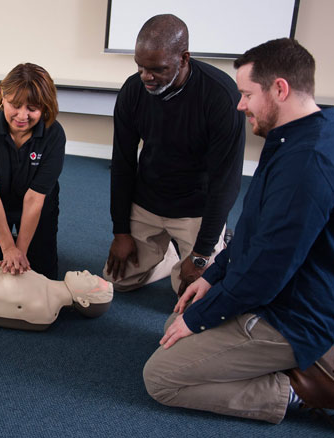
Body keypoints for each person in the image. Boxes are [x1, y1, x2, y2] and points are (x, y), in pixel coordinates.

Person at [143, 38, 334, 434]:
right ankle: (293, 361)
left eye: (247, 94)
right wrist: (213, 278)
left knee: (161, 377)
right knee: (173, 327)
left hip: (288, 316)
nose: (240, 105)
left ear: (279, 89)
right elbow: (253, 231)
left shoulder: (309, 164)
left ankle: (297, 391)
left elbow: (266, 271)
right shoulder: (295, 137)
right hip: (279, 295)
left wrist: (202, 318)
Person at [104, 14, 245, 295]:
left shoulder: (220, 97)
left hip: (195, 209)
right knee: (117, 281)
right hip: (148, 200)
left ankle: (217, 246)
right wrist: (120, 232)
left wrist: (202, 254)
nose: (146, 77)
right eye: (140, 67)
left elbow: (225, 182)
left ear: (183, 58)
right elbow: (122, 163)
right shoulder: (133, 91)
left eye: (157, 69)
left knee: (194, 298)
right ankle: (169, 256)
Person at [0, 63, 66, 280]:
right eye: (15, 105)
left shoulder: (54, 135)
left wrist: (18, 251)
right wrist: (7, 248)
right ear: (2, 95)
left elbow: (34, 199)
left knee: (42, 276)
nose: (22, 116)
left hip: (36, 206)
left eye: (33, 108)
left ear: (46, 107)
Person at [0, 259, 113, 331]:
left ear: (83, 301)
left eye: (92, 281)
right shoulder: (44, 282)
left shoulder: (44, 310)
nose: (87, 272)